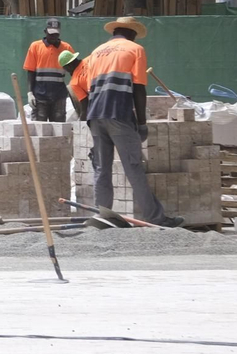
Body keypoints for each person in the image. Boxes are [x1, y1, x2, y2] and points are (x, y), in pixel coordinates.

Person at [77, 16, 182, 227]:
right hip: (119, 114)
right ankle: (155, 218)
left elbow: (88, 87)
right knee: (133, 167)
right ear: (132, 33)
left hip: (95, 115)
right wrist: (142, 123)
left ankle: (102, 216)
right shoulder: (135, 49)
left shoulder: (96, 52)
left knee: (102, 169)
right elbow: (139, 88)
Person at [23, 17, 73, 123]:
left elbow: (74, 70)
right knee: (39, 126)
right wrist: (30, 92)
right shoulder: (35, 47)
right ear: (45, 31)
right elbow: (31, 71)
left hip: (59, 95)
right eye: (51, 34)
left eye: (56, 34)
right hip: (40, 94)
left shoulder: (66, 48)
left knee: (59, 126)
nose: (53, 37)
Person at [59, 49, 86, 118]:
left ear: (69, 66)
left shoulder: (75, 82)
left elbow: (85, 105)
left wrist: (82, 120)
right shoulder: (89, 60)